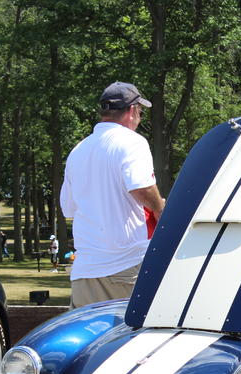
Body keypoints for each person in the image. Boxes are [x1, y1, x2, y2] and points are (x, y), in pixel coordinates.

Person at [60, 81, 165, 307]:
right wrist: (160, 209)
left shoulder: (78, 150)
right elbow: (141, 187)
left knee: (89, 331)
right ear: (132, 110)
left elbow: (68, 208)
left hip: (85, 272)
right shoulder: (132, 142)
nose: (140, 118)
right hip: (127, 265)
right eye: (140, 112)